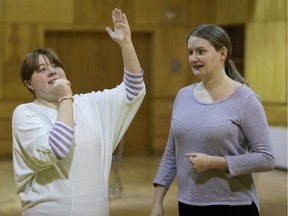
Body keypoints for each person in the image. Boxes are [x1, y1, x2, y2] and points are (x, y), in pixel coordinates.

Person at [12, 8, 145, 216]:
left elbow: (133, 91)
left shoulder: (86, 103)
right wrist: (65, 97)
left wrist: (126, 43)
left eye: (55, 65)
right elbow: (58, 148)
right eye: (41, 69)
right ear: (28, 83)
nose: (52, 71)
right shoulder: (26, 113)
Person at [150, 24, 275, 216]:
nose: (194, 58)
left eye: (201, 51)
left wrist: (214, 162)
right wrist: (157, 202)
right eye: (190, 52)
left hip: (235, 206)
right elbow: (171, 153)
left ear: (222, 53)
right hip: (188, 204)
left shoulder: (245, 99)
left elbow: (266, 158)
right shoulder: (183, 96)